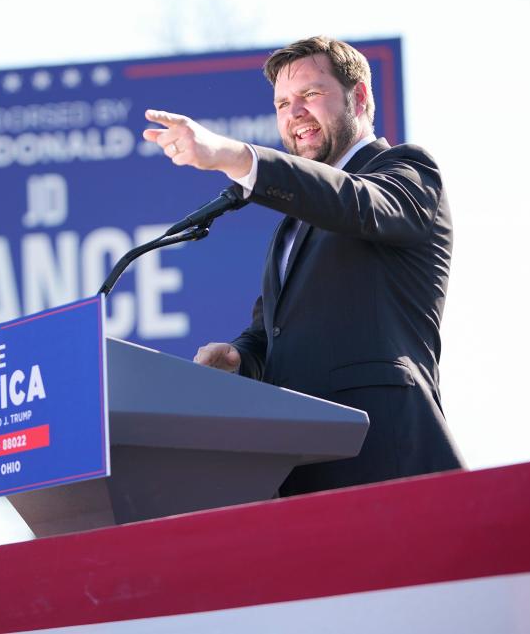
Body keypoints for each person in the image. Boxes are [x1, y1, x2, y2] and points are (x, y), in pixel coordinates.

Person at [143, 36, 463, 496]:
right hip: (301, 470)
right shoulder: (294, 225)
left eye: (311, 95)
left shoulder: (406, 171)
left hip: (384, 457)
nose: (294, 113)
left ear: (360, 97)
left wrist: (237, 158)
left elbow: (353, 201)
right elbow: (272, 332)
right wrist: (240, 357)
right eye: (282, 103)